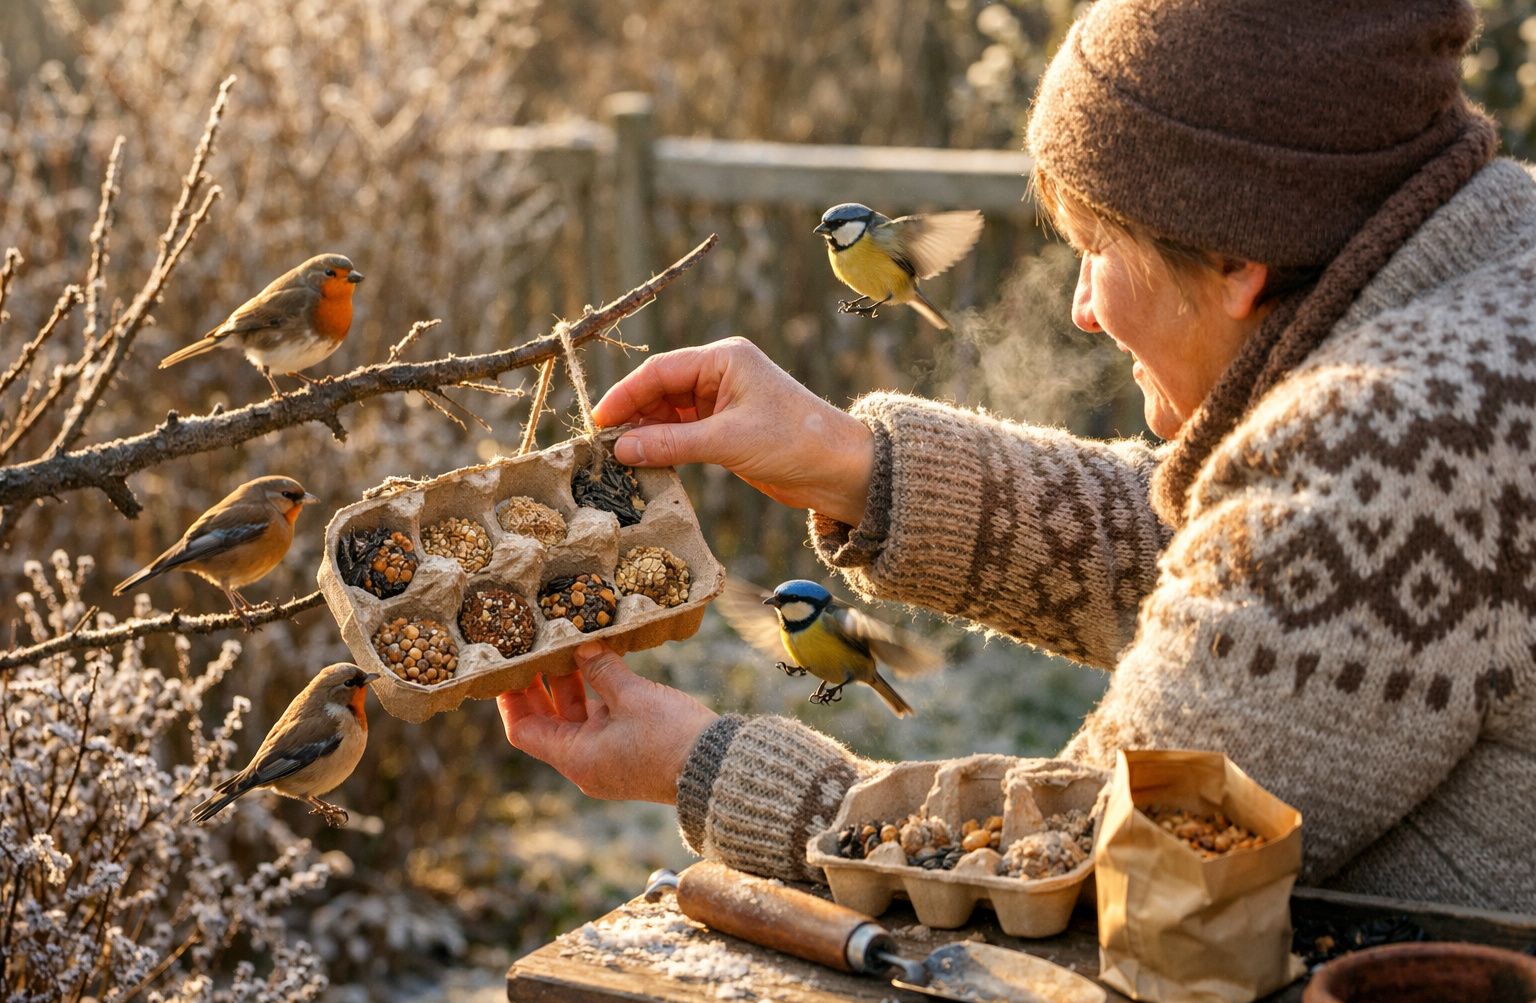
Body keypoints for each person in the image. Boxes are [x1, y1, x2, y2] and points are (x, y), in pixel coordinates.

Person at [499, 0, 1536, 912]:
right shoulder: (1487, 294)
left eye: (1099, 248)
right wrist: (856, 464)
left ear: (1232, 259)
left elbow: (1090, 870)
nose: (1083, 308)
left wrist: (708, 766)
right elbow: (1264, 581)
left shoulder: (1385, 441)